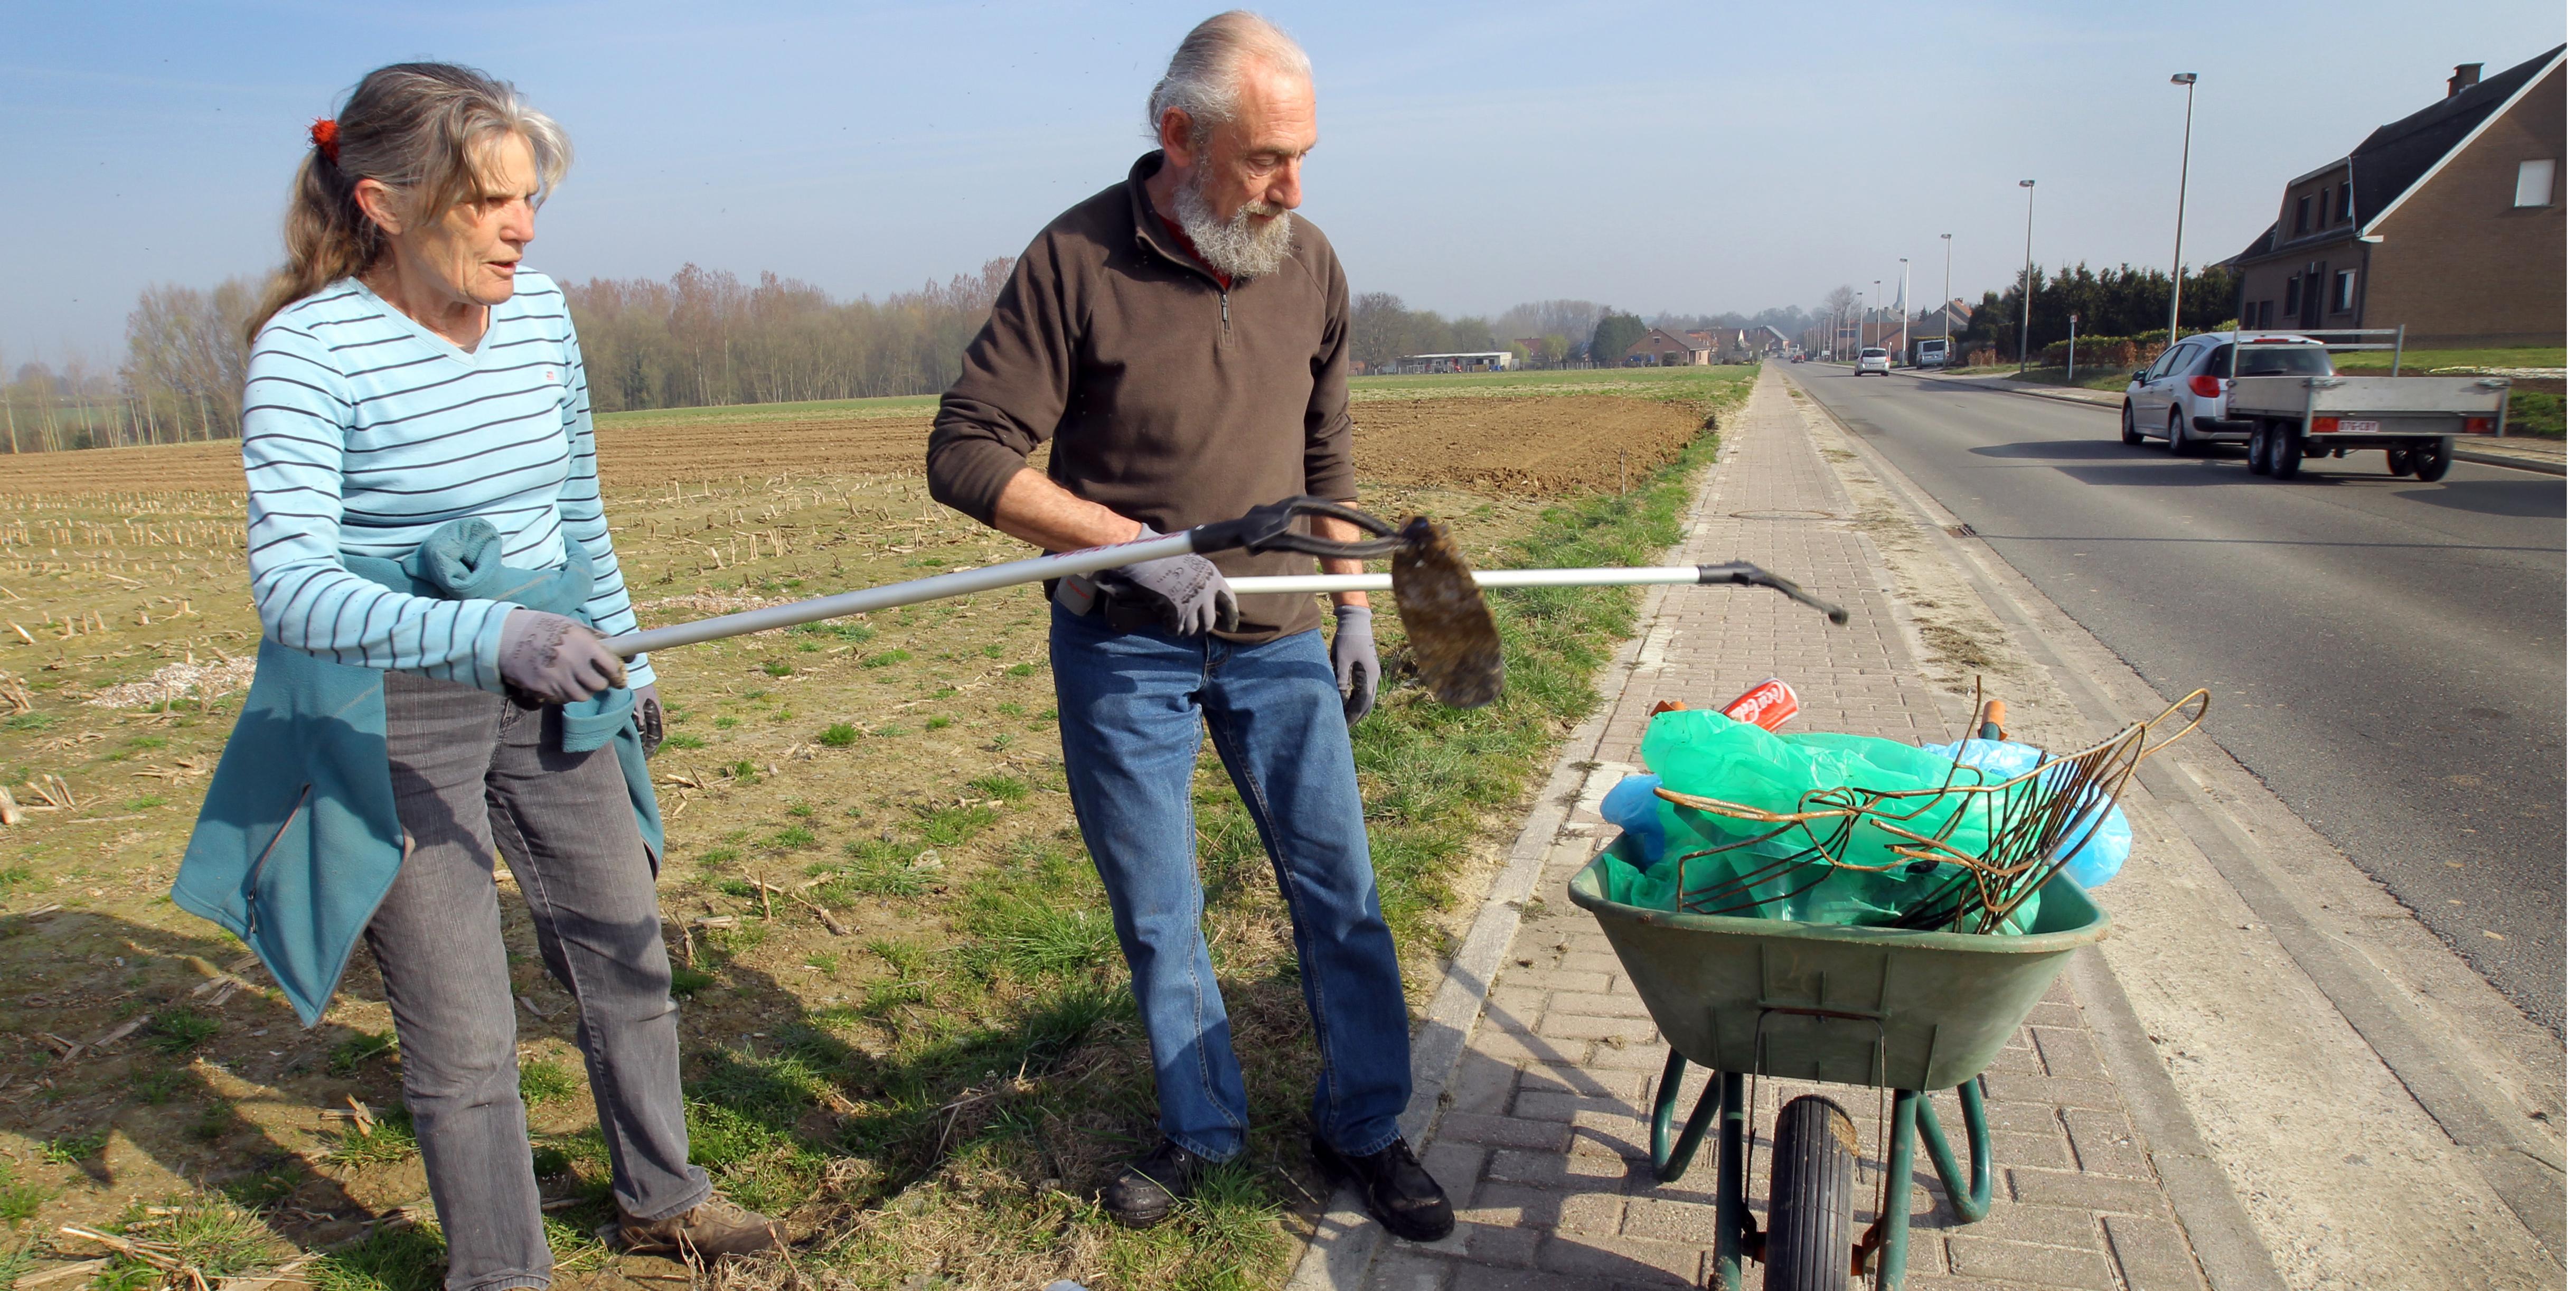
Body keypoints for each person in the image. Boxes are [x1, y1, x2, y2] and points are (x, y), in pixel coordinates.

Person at [171, 63, 783, 1290]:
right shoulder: (309, 349)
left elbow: (571, 509)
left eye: (530, 197)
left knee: (623, 947)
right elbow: (290, 588)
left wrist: (630, 653)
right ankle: (502, 1270)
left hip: (556, 669)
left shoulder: (544, 316)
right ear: (387, 205)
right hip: (390, 702)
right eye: (491, 201)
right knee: (464, 1030)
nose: (524, 226)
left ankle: (663, 1197)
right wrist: (486, 637)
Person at [926, 12, 1452, 1243]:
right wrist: (1129, 550)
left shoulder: (1308, 260)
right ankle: (1202, 1125)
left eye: (1305, 153)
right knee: (1160, 907)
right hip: (1125, 643)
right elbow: (965, 452)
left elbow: (1327, 451)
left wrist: (1354, 605)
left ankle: (1364, 1124)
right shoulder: (1074, 261)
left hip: (1276, 639)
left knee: (1341, 894)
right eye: (1268, 157)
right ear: (1180, 136)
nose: (1293, 184)